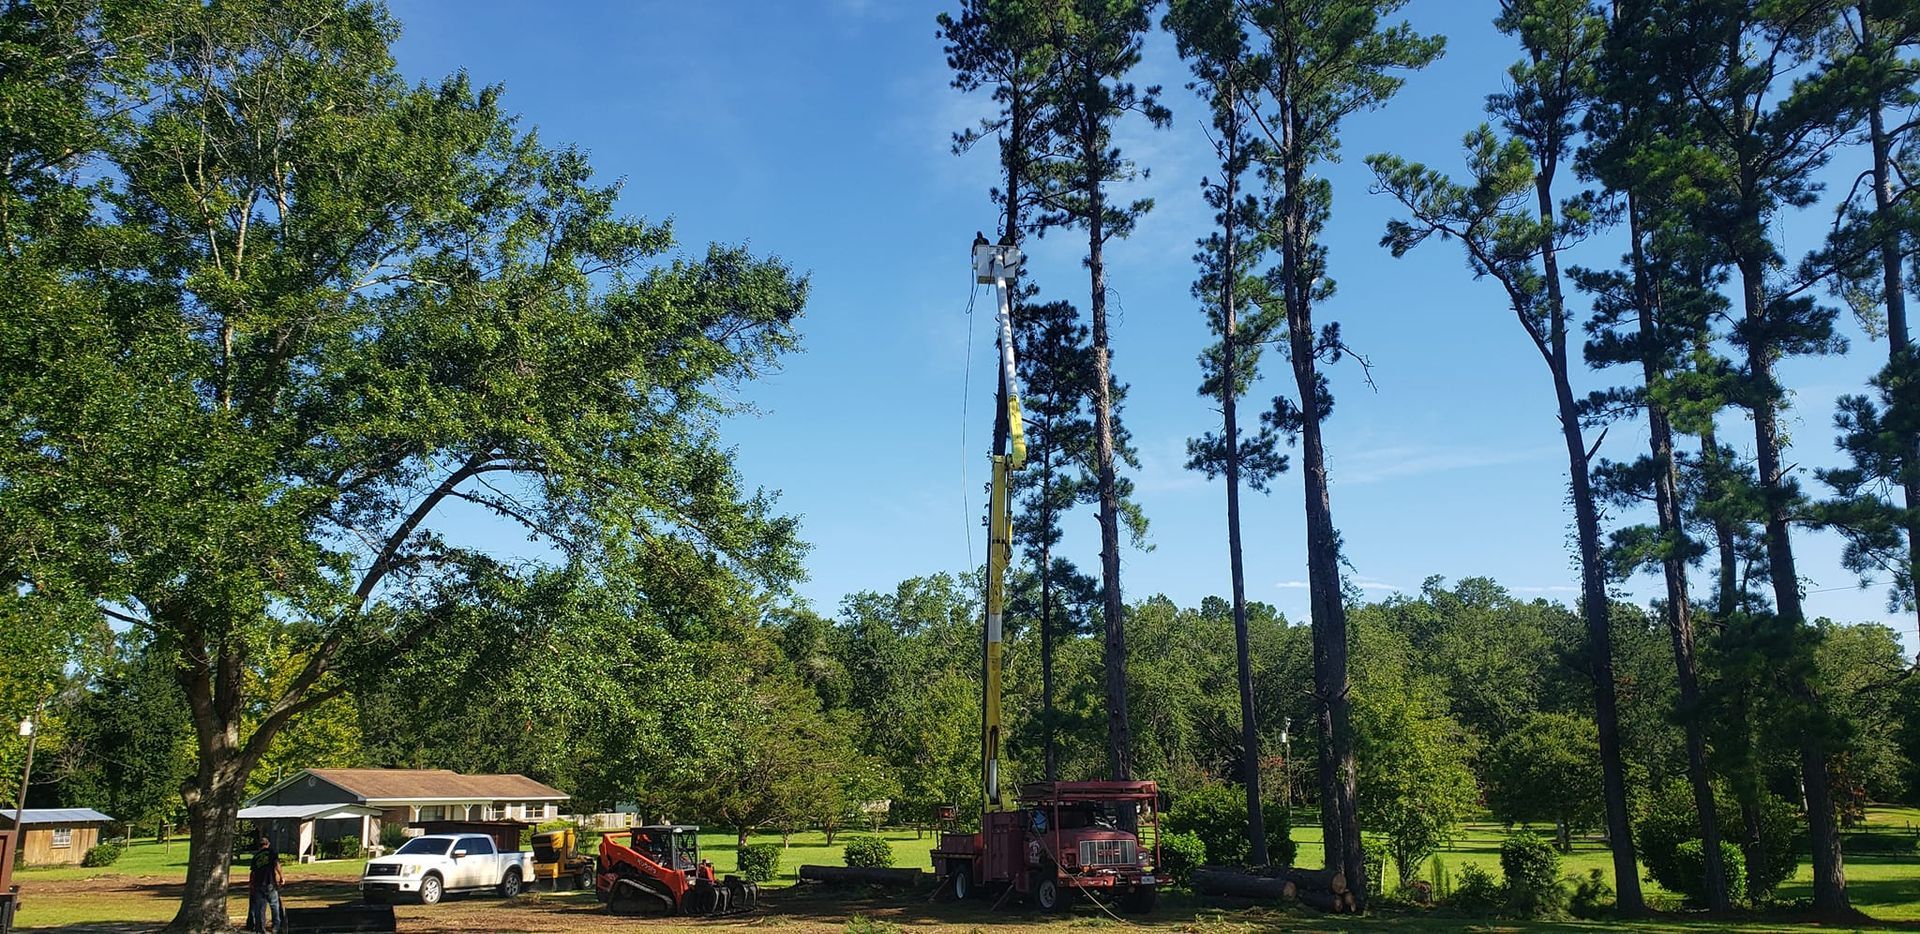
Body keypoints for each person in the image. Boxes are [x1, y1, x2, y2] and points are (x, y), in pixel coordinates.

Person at [247, 835, 286, 933]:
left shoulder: (255, 857)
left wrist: (251, 885)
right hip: (270, 883)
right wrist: (281, 877)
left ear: (259, 846)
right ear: (268, 844)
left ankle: (261, 929)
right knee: (274, 905)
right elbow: (277, 864)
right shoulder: (272, 852)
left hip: (258, 885)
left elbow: (253, 873)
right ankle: (276, 927)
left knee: (260, 909)